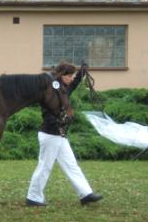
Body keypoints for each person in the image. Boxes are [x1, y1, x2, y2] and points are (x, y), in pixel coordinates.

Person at [26, 62, 102, 206]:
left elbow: (73, 85)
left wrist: (82, 72)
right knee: (44, 167)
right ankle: (33, 197)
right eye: (70, 76)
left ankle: (86, 194)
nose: (72, 79)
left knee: (71, 165)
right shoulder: (50, 91)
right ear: (62, 76)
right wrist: (56, 122)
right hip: (50, 134)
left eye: (73, 76)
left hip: (59, 136)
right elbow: (47, 111)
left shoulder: (63, 90)